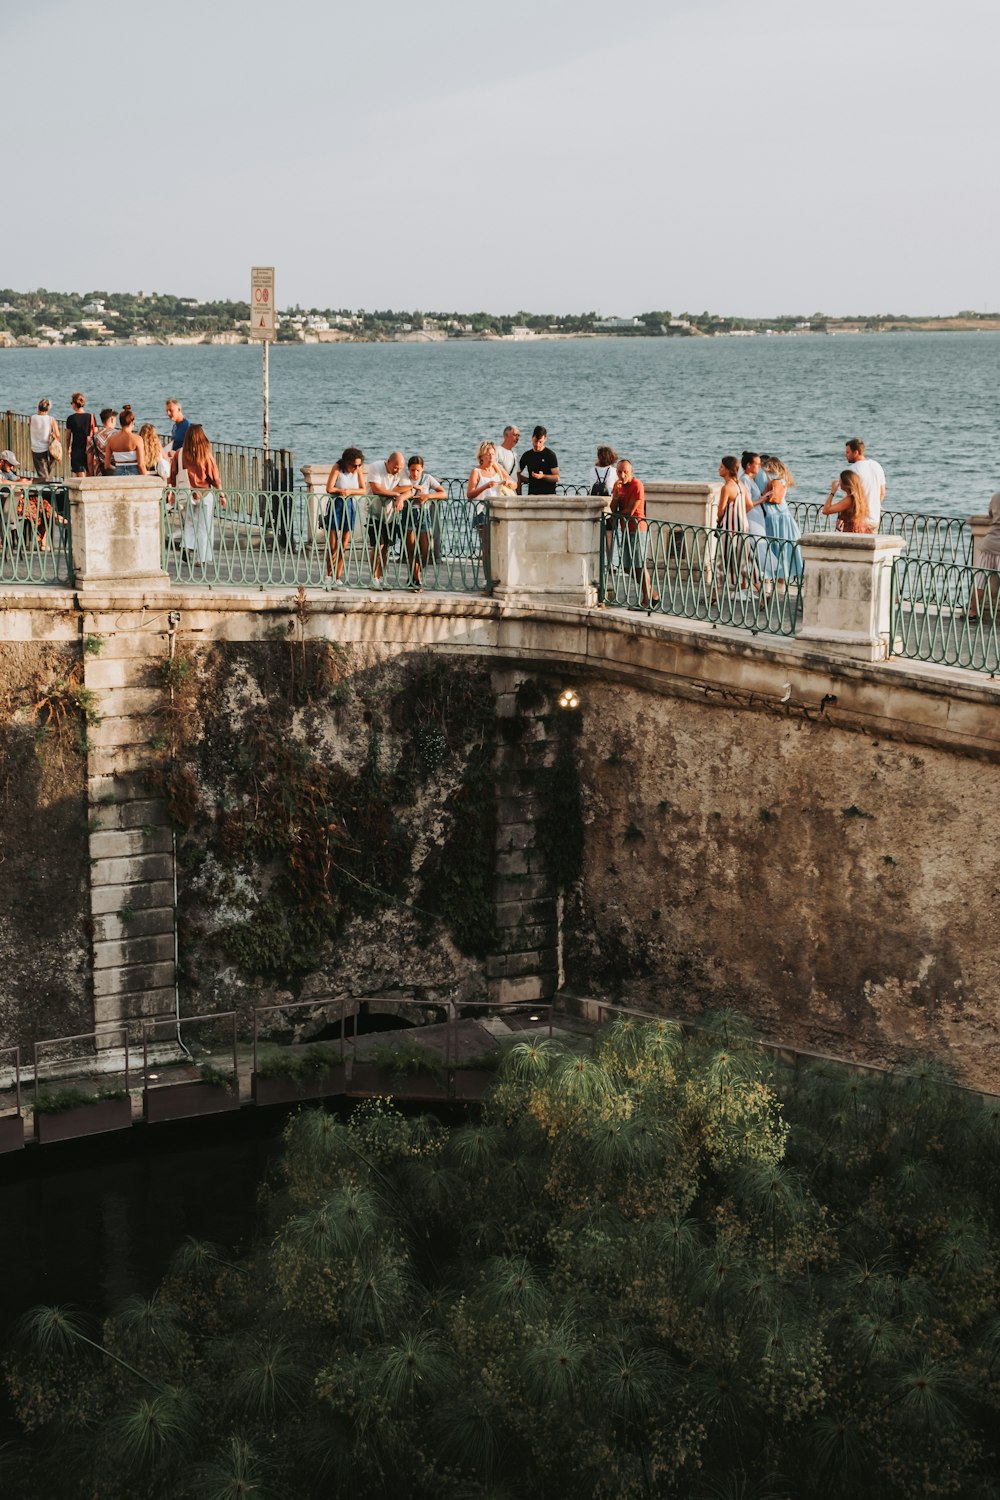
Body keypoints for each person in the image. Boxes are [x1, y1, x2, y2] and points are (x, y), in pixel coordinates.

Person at [169, 424, 225, 565]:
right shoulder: (206, 455)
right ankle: (202, 558)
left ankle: (186, 546)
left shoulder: (179, 453)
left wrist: (173, 492)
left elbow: (173, 474)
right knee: (204, 527)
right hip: (204, 494)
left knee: (189, 523)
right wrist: (221, 495)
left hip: (186, 493)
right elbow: (215, 477)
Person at [610, 458, 655, 607]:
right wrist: (616, 495)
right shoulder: (618, 486)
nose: (622, 475)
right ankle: (652, 593)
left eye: (625, 472)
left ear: (631, 472)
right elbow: (612, 508)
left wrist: (617, 514)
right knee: (628, 566)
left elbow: (630, 511)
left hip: (637, 529)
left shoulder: (637, 485)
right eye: (619, 472)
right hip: (625, 529)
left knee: (639, 565)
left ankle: (646, 599)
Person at [366, 450, 412, 585]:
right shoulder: (376, 467)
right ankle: (374, 577)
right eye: (395, 467)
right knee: (377, 545)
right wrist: (397, 493)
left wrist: (401, 498)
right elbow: (376, 489)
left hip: (390, 515)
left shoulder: (400, 471)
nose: (398, 470)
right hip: (373, 512)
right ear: (388, 462)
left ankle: (381, 577)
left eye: (400, 468)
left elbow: (409, 488)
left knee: (386, 547)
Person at [758, 454, 804, 584]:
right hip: (785, 516)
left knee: (768, 551)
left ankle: (766, 585)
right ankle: (781, 585)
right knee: (784, 550)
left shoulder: (762, 475)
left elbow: (759, 494)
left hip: (770, 517)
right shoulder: (783, 478)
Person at [402, 455, 446, 590]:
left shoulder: (427, 478)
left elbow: (443, 493)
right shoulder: (404, 478)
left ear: (423, 469)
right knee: (411, 549)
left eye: (418, 470)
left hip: (424, 514)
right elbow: (396, 490)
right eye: (412, 470)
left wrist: (428, 496)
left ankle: (415, 575)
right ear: (408, 469)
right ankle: (416, 580)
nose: (415, 473)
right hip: (408, 513)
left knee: (426, 550)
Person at [323, 446, 365, 585]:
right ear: (347, 462)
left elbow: (363, 490)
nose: (356, 467)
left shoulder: (358, 470)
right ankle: (329, 574)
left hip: (350, 505)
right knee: (333, 543)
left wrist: (350, 492)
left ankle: (338, 576)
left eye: (359, 465)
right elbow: (329, 488)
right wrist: (341, 491)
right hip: (336, 504)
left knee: (344, 543)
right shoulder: (337, 468)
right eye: (354, 465)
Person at [716, 455, 752, 593]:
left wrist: (720, 520)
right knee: (745, 562)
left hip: (729, 530)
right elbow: (749, 505)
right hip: (743, 527)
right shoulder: (740, 485)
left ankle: (714, 595)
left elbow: (720, 511)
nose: (719, 469)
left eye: (721, 467)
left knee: (721, 562)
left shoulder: (727, 488)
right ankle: (762, 592)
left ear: (728, 469)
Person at [841, 438, 885, 528]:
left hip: (858, 521)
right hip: (875, 520)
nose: (845, 455)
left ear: (856, 452)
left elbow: (850, 498)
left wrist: (841, 518)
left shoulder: (852, 470)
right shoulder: (877, 466)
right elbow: (882, 493)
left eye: (847, 452)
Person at [970, 492, 1000, 621]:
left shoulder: (996, 496)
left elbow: (990, 514)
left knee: (979, 581)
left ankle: (972, 612)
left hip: (988, 543)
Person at [104, 405, 147, 475]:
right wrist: (146, 478)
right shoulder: (138, 439)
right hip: (134, 474)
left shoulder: (111, 440)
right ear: (132, 422)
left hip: (118, 473)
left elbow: (106, 465)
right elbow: (141, 464)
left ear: (120, 423)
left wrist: (118, 469)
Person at [518, 425, 559, 495]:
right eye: (535, 441)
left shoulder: (550, 455)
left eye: (540, 442)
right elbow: (518, 474)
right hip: (532, 494)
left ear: (545, 439)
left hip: (549, 495)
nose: (537, 444)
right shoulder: (526, 455)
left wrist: (543, 476)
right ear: (532, 438)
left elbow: (557, 477)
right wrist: (529, 480)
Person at [65, 393, 95, 477]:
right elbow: (95, 433)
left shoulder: (71, 418)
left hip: (77, 449)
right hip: (89, 449)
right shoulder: (91, 417)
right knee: (90, 473)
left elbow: (68, 437)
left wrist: (68, 448)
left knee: (80, 476)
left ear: (74, 404)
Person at [29, 399, 60, 481]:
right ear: (48, 409)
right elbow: (58, 435)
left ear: (38, 407)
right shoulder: (51, 419)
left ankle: (45, 488)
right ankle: (48, 490)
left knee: (41, 473)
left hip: (35, 449)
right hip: (48, 450)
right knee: (48, 473)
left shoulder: (32, 418)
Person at [90, 409, 118, 475]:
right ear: (112, 419)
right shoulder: (117, 434)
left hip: (100, 472)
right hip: (115, 471)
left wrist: (91, 475)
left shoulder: (94, 437)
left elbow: (89, 461)